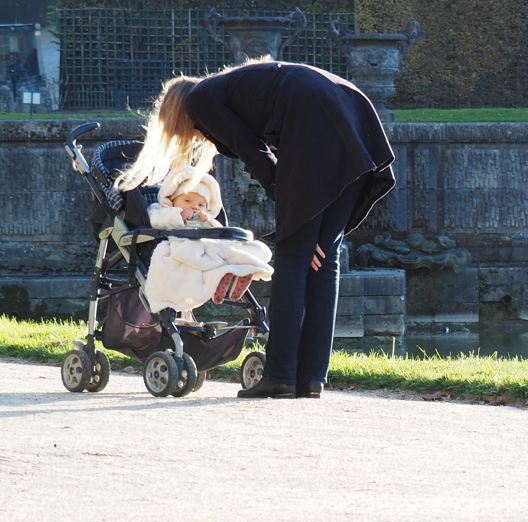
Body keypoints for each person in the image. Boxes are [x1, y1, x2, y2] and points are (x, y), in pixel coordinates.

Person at [117, 61, 396, 399]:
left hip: (316, 122)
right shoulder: (234, 88)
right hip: (351, 114)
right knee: (324, 259)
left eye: (184, 132)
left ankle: (280, 376)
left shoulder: (200, 99)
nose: (194, 138)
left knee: (294, 258)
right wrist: (299, 208)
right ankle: (311, 377)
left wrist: (294, 208)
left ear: (178, 114)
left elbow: (253, 150)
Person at [143, 165, 272, 310]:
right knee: (190, 253)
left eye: (201, 204)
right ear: (172, 200)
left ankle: (242, 269)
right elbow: (154, 219)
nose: (194, 207)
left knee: (247, 249)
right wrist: (178, 215)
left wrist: (209, 222)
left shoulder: (205, 218)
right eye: (187, 201)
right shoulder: (162, 209)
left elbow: (219, 232)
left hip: (209, 244)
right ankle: (222, 274)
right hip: (182, 242)